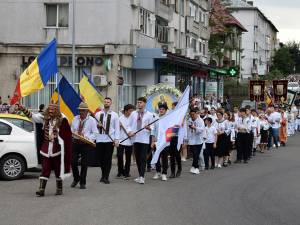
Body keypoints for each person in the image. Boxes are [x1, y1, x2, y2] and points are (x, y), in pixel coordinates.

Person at [19, 103, 72, 197]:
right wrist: (23, 108)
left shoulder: (63, 119)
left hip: (57, 149)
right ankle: (41, 190)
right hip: (46, 148)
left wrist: (56, 135)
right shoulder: (45, 118)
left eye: (53, 110)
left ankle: (59, 188)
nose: (51, 112)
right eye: (50, 110)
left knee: (58, 170)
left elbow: (66, 135)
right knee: (45, 169)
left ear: (56, 111)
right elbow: (33, 117)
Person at [71, 102, 98, 189]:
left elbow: (95, 133)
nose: (81, 112)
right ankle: (76, 178)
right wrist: (74, 133)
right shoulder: (75, 118)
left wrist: (86, 137)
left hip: (85, 144)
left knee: (84, 163)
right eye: (80, 110)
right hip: (75, 142)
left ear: (87, 111)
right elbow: (72, 130)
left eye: (83, 111)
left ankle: (82, 182)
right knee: (73, 162)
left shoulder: (92, 120)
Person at [95, 97, 120, 184]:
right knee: (101, 159)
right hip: (99, 139)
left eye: (108, 102)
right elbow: (94, 128)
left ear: (111, 103)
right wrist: (97, 126)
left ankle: (106, 176)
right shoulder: (98, 114)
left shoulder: (115, 115)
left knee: (108, 158)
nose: (106, 103)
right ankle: (103, 175)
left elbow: (117, 128)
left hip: (110, 139)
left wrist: (116, 139)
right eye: (105, 102)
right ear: (103, 103)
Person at [130, 97, 154, 184]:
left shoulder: (149, 115)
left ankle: (142, 176)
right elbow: (130, 125)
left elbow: (153, 127)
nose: (139, 104)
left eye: (140, 102)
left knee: (143, 158)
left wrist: (149, 127)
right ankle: (140, 175)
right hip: (135, 139)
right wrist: (130, 132)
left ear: (144, 103)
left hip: (144, 139)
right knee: (137, 158)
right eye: (138, 102)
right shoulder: (133, 113)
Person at [151, 103, 169, 181]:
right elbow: (153, 130)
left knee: (164, 158)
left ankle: (164, 173)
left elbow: (170, 130)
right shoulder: (156, 118)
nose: (161, 110)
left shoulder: (168, 118)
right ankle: (158, 172)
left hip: (165, 141)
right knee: (157, 157)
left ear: (165, 110)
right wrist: (153, 141)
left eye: (163, 109)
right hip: (157, 141)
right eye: (160, 109)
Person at [117, 104, 135, 179]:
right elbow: (117, 130)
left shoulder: (133, 119)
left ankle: (127, 172)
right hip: (121, 140)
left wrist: (131, 132)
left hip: (129, 141)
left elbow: (134, 127)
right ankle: (120, 171)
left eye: (132, 110)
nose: (132, 112)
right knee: (120, 156)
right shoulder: (119, 118)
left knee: (128, 158)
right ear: (126, 111)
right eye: (130, 110)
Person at [187, 108, 205, 174]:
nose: (192, 116)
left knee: (196, 154)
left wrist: (194, 128)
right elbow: (188, 130)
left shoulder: (200, 121)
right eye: (191, 115)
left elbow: (201, 130)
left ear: (196, 114)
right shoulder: (189, 120)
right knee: (194, 154)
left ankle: (196, 168)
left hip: (199, 140)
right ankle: (193, 166)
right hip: (192, 140)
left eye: (193, 114)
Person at [169, 102, 183, 178]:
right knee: (171, 155)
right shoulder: (171, 115)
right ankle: (172, 172)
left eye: (174, 107)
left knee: (177, 154)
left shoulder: (181, 116)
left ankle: (179, 168)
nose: (173, 108)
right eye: (172, 107)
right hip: (171, 136)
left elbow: (182, 127)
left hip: (178, 137)